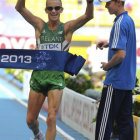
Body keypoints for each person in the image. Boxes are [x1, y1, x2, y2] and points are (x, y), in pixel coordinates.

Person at [15, 0, 94, 140]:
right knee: (30, 120)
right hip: (38, 78)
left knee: (51, 117)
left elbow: (88, 16)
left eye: (57, 8)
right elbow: (20, 8)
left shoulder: (67, 28)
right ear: (46, 10)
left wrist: (89, 2)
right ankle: (37, 134)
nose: (53, 11)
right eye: (50, 8)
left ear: (61, 10)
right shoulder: (39, 25)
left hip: (55, 79)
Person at [95, 0, 136, 140]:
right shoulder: (128, 20)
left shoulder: (119, 23)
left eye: (108, 3)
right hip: (127, 82)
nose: (105, 5)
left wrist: (107, 66)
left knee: (103, 125)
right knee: (125, 126)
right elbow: (124, 46)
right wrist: (108, 44)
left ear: (119, 2)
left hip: (115, 81)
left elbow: (120, 55)